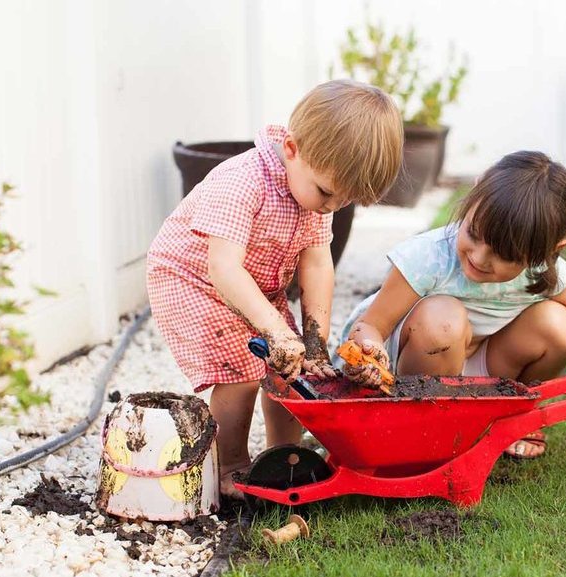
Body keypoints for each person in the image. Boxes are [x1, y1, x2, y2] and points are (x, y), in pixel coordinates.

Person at [147, 79, 403, 495]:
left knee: (293, 367)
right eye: (326, 193)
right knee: (241, 373)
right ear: (291, 150)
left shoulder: (316, 192)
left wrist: (313, 342)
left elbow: (318, 264)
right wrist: (277, 330)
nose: (331, 207)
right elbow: (224, 269)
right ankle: (228, 466)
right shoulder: (242, 182)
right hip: (193, 279)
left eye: (344, 202)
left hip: (254, 288)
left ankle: (285, 455)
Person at [340, 151, 566, 459]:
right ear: (473, 195)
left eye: (505, 255)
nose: (478, 257)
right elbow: (369, 326)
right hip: (407, 370)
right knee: (443, 319)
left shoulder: (543, 272)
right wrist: (369, 352)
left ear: (547, 253)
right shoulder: (428, 257)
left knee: (559, 325)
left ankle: (511, 416)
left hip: (479, 367)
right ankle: (423, 424)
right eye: (473, 233)